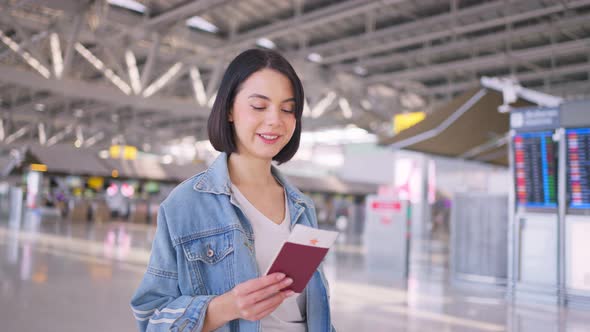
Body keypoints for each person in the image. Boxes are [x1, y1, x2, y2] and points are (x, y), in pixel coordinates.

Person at [130, 49, 335, 332]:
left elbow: (312, 314)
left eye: (288, 109)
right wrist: (227, 307)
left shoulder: (302, 206)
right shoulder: (186, 204)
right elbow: (151, 318)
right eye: (259, 106)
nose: (275, 120)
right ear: (229, 109)